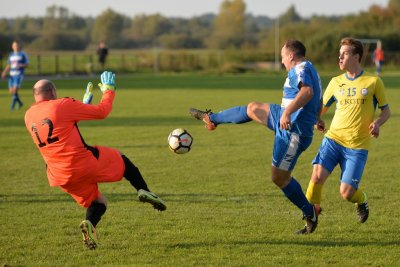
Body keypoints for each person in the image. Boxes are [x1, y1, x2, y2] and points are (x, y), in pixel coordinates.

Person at [189, 40, 322, 234]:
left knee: (279, 178)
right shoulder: (310, 68)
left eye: (283, 56)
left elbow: (308, 92)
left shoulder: (300, 69)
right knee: (253, 108)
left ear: (291, 56)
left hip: (293, 132)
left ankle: (310, 212)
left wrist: (288, 114)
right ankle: (212, 118)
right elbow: (318, 97)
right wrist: (316, 118)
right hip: (286, 118)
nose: (282, 61)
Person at [24, 71, 166, 250]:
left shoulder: (28, 116)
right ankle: (143, 190)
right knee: (121, 158)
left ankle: (89, 225)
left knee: (98, 202)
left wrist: (82, 106)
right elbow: (102, 112)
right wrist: (109, 90)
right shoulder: (63, 104)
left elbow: (60, 128)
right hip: (81, 162)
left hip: (59, 175)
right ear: (52, 91)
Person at [304, 37, 391, 233]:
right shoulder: (336, 82)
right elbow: (320, 109)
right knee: (316, 176)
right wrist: (317, 119)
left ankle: (362, 201)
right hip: (333, 139)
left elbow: (386, 111)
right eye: (340, 54)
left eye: (344, 54)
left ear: (356, 56)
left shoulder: (373, 81)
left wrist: (377, 123)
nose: (340, 57)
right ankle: (311, 216)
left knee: (346, 193)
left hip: (357, 146)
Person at [1, 40, 29, 111]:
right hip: (11, 75)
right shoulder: (11, 55)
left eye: (16, 45)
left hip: (19, 75)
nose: (15, 47)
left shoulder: (23, 54)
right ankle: (20, 103)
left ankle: (12, 107)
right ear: (12, 46)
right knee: (11, 91)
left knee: (14, 90)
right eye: (14, 45)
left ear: (19, 46)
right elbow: (9, 65)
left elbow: (27, 64)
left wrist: (20, 65)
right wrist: (4, 72)